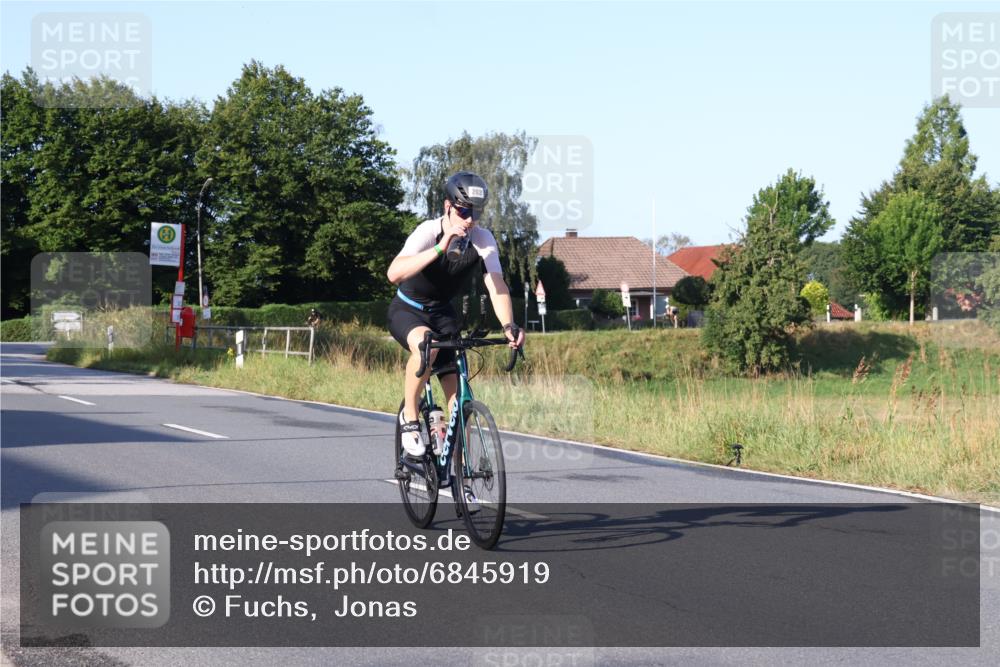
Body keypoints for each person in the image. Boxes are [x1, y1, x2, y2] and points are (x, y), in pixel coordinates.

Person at [386, 171, 525, 459]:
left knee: (460, 398)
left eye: (475, 212)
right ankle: (410, 418)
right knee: (427, 346)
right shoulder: (428, 231)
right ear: (448, 206)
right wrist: (441, 246)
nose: (470, 219)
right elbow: (394, 273)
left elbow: (496, 284)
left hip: (443, 314)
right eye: (463, 211)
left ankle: (462, 475)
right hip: (408, 309)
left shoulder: (483, 239)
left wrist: (509, 325)